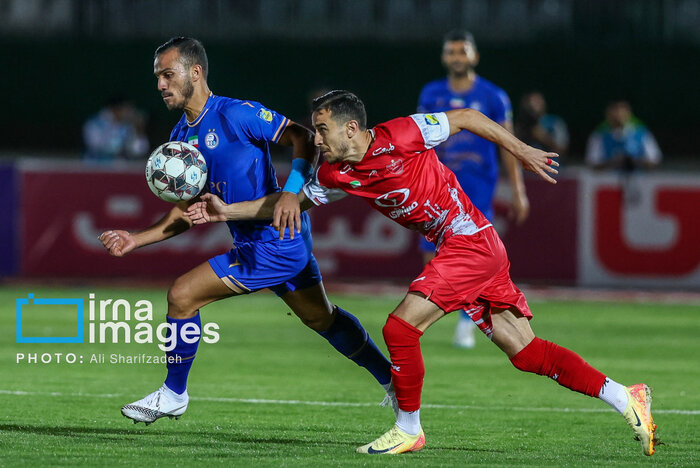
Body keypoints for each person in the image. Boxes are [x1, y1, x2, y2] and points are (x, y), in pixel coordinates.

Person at [187, 91, 659, 457]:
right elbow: (288, 203)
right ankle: (626, 396)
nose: (316, 140)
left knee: (400, 326)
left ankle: (409, 429)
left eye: (322, 130)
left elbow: (468, 119)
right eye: (314, 131)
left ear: (352, 128)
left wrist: (521, 151)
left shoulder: (402, 134)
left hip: (470, 242)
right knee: (526, 351)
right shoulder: (336, 175)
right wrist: (227, 210)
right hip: (472, 249)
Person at [98, 39, 396, 426]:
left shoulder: (237, 114)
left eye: (167, 75)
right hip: (271, 240)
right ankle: (394, 381)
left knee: (182, 296)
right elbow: (192, 211)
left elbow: (302, 137)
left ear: (196, 72)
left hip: (275, 241)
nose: (160, 84)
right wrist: (136, 239)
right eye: (158, 76)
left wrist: (291, 194)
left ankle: (173, 394)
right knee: (321, 319)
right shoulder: (181, 137)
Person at [416, 30, 529, 349]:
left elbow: (508, 146)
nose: (456, 58)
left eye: (462, 52)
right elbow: (421, 139)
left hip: (477, 187)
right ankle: (446, 313)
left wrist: (518, 189)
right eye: (451, 52)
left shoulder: (494, 97)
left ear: (474, 56)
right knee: (432, 256)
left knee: (474, 256)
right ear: (443, 57)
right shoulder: (431, 93)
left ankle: (467, 323)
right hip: (438, 186)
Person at [585, 100, 661, 171]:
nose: (619, 116)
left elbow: (654, 160)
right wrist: (614, 162)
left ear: (629, 114)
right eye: (615, 113)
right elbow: (593, 163)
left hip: (638, 179)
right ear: (608, 115)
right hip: (608, 180)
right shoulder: (599, 134)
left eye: (622, 113)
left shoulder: (641, 133)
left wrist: (634, 161)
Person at [83, 95, 149, 162]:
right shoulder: (94, 124)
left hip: (120, 169)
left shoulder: (128, 126)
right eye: (127, 109)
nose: (130, 113)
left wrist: (139, 129)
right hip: (95, 168)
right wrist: (121, 147)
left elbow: (139, 150)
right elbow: (95, 146)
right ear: (117, 108)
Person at [515, 91, 569, 156]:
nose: (533, 105)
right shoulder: (521, 125)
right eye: (531, 102)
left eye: (537, 102)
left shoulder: (555, 122)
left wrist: (543, 137)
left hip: (551, 164)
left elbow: (562, 149)